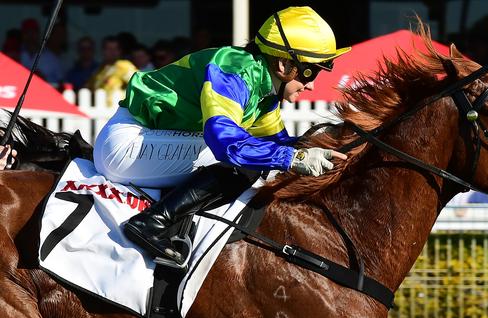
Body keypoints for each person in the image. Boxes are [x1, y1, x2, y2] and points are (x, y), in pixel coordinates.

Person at [93, 6, 350, 265]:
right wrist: (294, 157)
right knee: (247, 162)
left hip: (151, 141)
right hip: (128, 145)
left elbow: (277, 143)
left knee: (261, 157)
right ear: (284, 64)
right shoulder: (233, 71)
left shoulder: (264, 90)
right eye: (311, 71)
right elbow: (226, 144)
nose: (312, 84)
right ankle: (152, 222)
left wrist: (326, 145)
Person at [85, 36, 137, 102]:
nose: (112, 52)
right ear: (103, 50)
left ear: (120, 51)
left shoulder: (124, 66)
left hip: (117, 108)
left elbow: (138, 84)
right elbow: (88, 88)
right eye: (109, 49)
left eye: (116, 49)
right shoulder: (100, 69)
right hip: (99, 108)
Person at [19, 18, 64, 86]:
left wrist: (43, 80)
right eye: (27, 32)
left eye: (33, 32)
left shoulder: (51, 58)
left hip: (45, 93)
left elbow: (61, 83)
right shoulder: (16, 54)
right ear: (22, 35)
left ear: (38, 33)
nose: (30, 36)